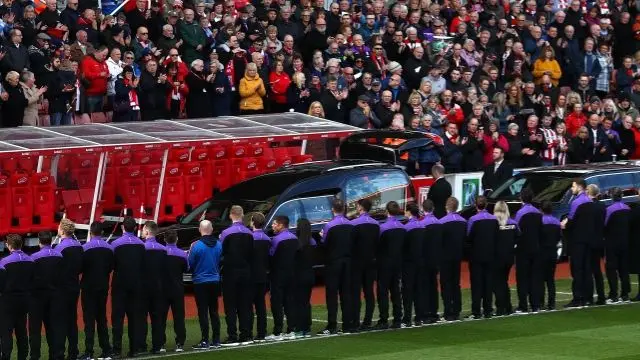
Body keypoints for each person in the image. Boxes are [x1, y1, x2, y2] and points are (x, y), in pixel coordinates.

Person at [111, 216, 145, 358]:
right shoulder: (141, 244)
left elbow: (112, 264)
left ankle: (117, 349)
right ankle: (134, 348)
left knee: (117, 318)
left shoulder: (115, 244)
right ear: (136, 228)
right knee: (134, 318)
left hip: (120, 284)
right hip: (136, 284)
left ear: (122, 227)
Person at [219, 205, 254, 345]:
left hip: (230, 272)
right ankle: (246, 334)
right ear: (242, 214)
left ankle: (232, 335)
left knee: (230, 305)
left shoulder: (226, 233)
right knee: (245, 304)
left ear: (230, 215)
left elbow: (221, 252)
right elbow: (251, 253)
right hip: (246, 272)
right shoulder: (249, 233)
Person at [319, 198, 354, 334]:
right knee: (346, 293)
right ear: (344, 209)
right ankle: (347, 324)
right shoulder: (351, 225)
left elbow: (324, 243)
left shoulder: (329, 226)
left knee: (332, 294)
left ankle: (332, 325)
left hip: (334, 262)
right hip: (348, 262)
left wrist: (322, 237)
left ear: (333, 209)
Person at [79, 223, 113, 360]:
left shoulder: (84, 249)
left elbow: (80, 268)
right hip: (102, 287)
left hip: (88, 288)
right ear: (102, 232)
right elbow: (111, 267)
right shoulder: (109, 248)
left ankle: (89, 352)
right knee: (102, 318)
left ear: (90, 232)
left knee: (89, 320)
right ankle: (106, 350)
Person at [189, 220, 223, 350]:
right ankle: (216, 339)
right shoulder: (219, 245)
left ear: (200, 229)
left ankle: (205, 340)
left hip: (200, 282)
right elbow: (220, 260)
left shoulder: (196, 246)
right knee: (214, 311)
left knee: (203, 312)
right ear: (212, 229)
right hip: (214, 281)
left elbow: (190, 265)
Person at [29, 231, 63, 360]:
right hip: (54, 297)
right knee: (53, 328)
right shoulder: (59, 256)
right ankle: (56, 355)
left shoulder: (34, 257)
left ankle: (35, 357)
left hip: (37, 298)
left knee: (35, 330)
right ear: (50, 240)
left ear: (39, 242)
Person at [561, 178, 594, 308]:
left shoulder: (576, 202)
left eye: (573, 186)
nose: (571, 188)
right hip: (588, 240)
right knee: (587, 268)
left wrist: (564, 224)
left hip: (577, 241)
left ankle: (578, 298)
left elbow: (572, 221)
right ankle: (588, 297)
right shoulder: (589, 201)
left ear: (579, 187)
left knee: (577, 269)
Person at [0, 234, 33, 360]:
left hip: (8, 301)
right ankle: (22, 357)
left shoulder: (3, 262)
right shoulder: (30, 260)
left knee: (6, 332)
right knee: (22, 331)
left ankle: (6, 357)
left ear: (9, 245)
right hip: (24, 300)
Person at [349, 199, 380, 331]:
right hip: (371, 261)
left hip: (357, 261)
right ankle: (367, 320)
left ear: (361, 208)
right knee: (369, 291)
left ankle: (355, 321)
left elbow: (351, 244)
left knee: (356, 292)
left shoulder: (354, 224)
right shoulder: (376, 224)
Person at [467, 196, 499, 319]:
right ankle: (488, 309)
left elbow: (469, 236)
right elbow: (497, 236)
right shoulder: (493, 219)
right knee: (488, 283)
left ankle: (476, 311)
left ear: (476, 206)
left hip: (476, 256)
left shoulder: (473, 219)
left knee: (476, 284)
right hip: (490, 255)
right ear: (486, 205)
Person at [55, 218, 83, 360]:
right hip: (74, 286)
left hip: (61, 288)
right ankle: (73, 351)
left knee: (60, 320)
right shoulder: (79, 245)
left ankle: (60, 353)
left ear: (63, 230)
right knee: (72, 320)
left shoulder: (59, 248)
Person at [268, 215, 299, 340]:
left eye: (275, 224)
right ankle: (291, 329)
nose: (273, 225)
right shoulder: (294, 238)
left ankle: (278, 332)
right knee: (289, 302)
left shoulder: (276, 240)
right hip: (291, 275)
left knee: (276, 303)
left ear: (281, 225)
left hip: (278, 275)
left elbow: (271, 255)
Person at [376, 201, 405, 329]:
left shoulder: (383, 228)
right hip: (398, 262)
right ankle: (398, 319)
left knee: (383, 292)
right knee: (395, 291)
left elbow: (379, 245)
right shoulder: (402, 227)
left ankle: (383, 320)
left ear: (387, 212)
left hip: (385, 263)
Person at [513, 188, 543, 313]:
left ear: (521, 198)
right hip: (536, 248)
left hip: (523, 249)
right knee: (534, 277)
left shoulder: (520, 213)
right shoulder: (538, 212)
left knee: (522, 278)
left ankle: (523, 305)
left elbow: (517, 230)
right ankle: (535, 304)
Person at [140, 221, 167, 354]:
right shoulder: (163, 249)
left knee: (142, 317)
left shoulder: (141, 248)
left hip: (144, 288)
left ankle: (142, 345)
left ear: (147, 231)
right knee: (157, 318)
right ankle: (158, 345)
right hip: (158, 287)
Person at [439, 197, 467, 321]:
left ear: (447, 207)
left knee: (446, 284)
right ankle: (456, 309)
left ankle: (448, 311)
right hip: (457, 257)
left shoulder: (442, 222)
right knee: (456, 283)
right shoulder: (463, 221)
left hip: (445, 257)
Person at [604, 187, 631, 303]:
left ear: (611, 196)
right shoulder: (627, 208)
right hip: (625, 241)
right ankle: (625, 294)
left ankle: (613, 294)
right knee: (624, 268)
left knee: (611, 268)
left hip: (612, 242)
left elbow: (604, 224)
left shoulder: (609, 209)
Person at [163, 230, 188, 352]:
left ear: (164, 239)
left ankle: (160, 344)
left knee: (160, 317)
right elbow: (186, 269)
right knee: (179, 317)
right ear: (177, 239)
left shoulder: (161, 253)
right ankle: (180, 343)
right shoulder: (182, 254)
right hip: (177, 289)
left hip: (163, 289)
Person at [419, 199, 442, 324]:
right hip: (436, 259)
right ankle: (433, 311)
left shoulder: (422, 224)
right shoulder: (439, 223)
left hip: (425, 259)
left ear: (423, 209)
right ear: (433, 208)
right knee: (433, 285)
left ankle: (425, 312)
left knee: (424, 286)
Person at [402, 202, 425, 326]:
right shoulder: (422, 226)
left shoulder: (406, 228)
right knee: (418, 289)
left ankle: (407, 317)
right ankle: (418, 317)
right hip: (420, 261)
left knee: (408, 290)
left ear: (409, 212)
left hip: (408, 263)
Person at [493, 201, 518, 316]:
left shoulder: (493, 223)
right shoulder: (513, 223)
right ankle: (507, 306)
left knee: (498, 283)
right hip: (509, 257)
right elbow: (519, 237)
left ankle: (500, 308)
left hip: (497, 257)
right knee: (504, 281)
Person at [249, 213, 270, 342]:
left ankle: (249, 332)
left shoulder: (249, 238)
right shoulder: (267, 239)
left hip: (251, 276)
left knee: (248, 306)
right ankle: (262, 332)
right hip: (263, 275)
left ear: (252, 222)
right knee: (261, 305)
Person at [294, 218, 315, 338]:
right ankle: (307, 327)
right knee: (306, 302)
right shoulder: (312, 242)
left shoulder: (297, 244)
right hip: (310, 274)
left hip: (299, 275)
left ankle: (300, 327)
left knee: (299, 302)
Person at [586, 184, 606, 305]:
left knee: (589, 270)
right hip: (600, 240)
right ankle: (601, 296)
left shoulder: (588, 206)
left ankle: (589, 297)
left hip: (590, 241)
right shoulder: (602, 206)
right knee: (597, 270)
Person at [540, 201, 561, 311]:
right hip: (552, 252)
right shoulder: (556, 221)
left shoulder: (540, 221)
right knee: (550, 279)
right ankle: (551, 303)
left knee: (541, 279)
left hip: (542, 252)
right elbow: (559, 237)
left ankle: (541, 302)